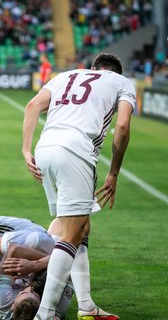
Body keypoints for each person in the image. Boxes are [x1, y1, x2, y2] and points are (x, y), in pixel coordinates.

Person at [22, 52, 136, 320]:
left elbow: (31, 107)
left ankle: (86, 305)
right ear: (116, 72)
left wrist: (26, 150)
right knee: (71, 233)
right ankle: (45, 313)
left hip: (45, 148)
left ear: (93, 68)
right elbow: (122, 126)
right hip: (75, 151)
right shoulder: (121, 82)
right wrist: (114, 173)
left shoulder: (66, 75)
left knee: (81, 225)